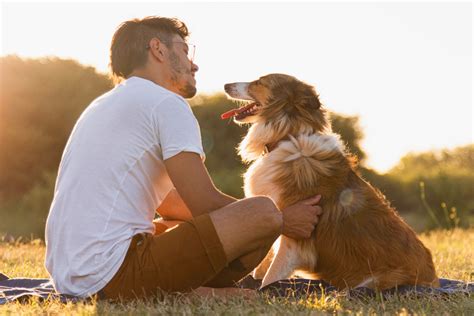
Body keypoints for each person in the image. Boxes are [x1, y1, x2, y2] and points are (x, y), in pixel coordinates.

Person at [44, 16, 323, 300]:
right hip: (111, 276)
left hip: (71, 275)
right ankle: (191, 294)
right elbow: (204, 202)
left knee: (183, 223)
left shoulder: (104, 104)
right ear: (159, 50)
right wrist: (280, 220)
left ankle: (179, 289)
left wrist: (245, 221)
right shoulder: (166, 103)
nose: (194, 64)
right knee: (261, 211)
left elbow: (168, 202)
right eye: (185, 51)